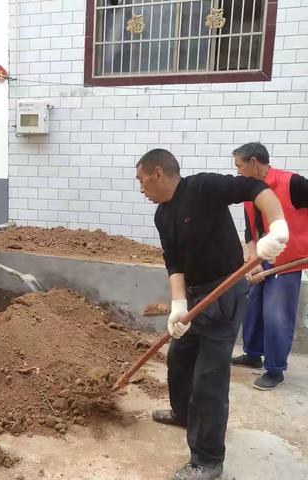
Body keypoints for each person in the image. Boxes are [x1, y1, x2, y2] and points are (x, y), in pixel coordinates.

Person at [136, 149, 288, 480]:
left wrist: (277, 227)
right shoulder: (163, 215)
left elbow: (254, 189)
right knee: (179, 358)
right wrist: (178, 306)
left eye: (141, 180)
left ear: (158, 173)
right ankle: (183, 414)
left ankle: (207, 460)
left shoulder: (202, 187)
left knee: (209, 377)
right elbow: (173, 262)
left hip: (225, 294)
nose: (141, 189)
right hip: (193, 296)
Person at [231, 142, 308, 390]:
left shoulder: (292, 183)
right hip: (261, 258)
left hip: (288, 261)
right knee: (253, 307)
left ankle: (275, 370)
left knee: (276, 313)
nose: (238, 172)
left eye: (240, 166)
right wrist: (253, 261)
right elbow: (250, 231)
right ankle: (253, 354)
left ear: (254, 162)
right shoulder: (250, 191)